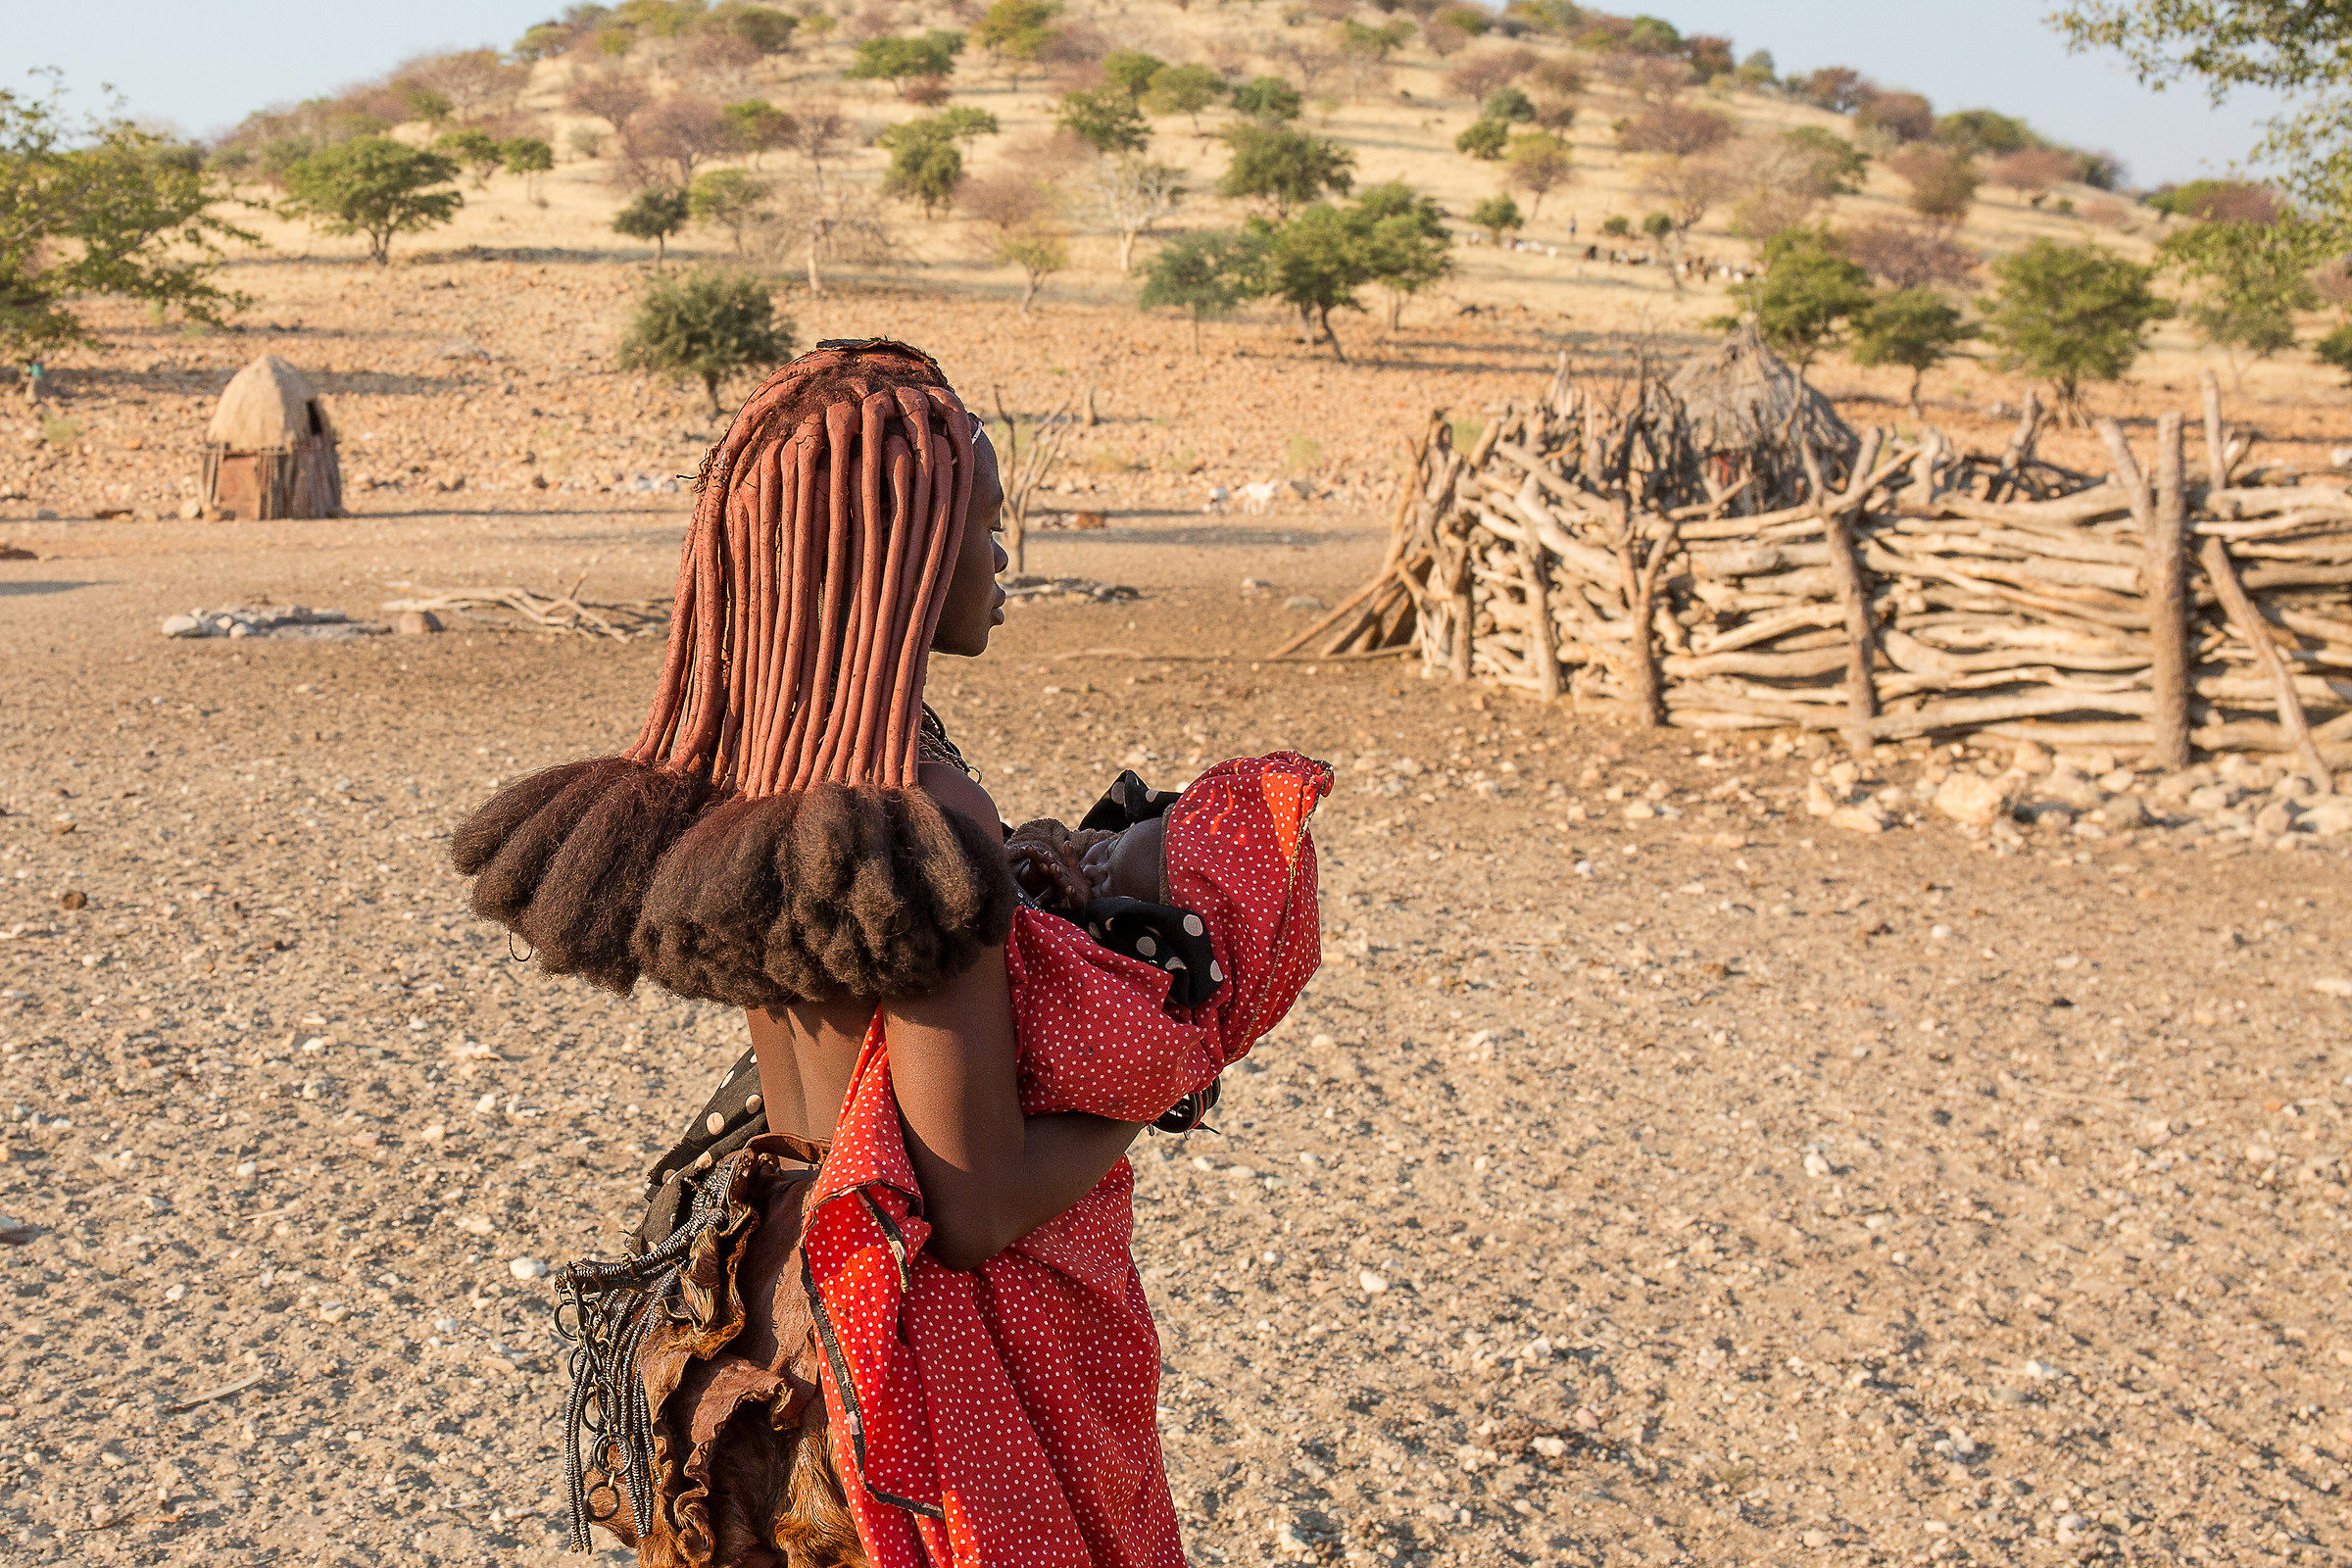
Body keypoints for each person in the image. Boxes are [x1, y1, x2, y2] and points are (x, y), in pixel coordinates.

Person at [451, 340, 1327, 1568]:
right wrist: (1182, 1051)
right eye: (988, 520)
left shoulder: (770, 760)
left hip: (761, 1299)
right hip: (905, 1349)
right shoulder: (919, 808)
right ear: (902, 556)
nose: (1004, 552)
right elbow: (971, 1203)